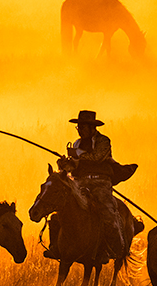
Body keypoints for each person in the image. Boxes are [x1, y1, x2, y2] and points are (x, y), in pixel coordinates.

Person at [52, 110, 126, 261]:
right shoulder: (77, 144)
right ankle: (56, 248)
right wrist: (65, 164)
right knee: (60, 210)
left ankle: (114, 249)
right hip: (79, 183)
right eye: (78, 127)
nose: (80, 130)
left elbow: (97, 157)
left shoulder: (104, 141)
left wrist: (77, 158)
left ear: (93, 128)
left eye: (83, 127)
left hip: (100, 183)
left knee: (107, 213)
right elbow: (73, 167)